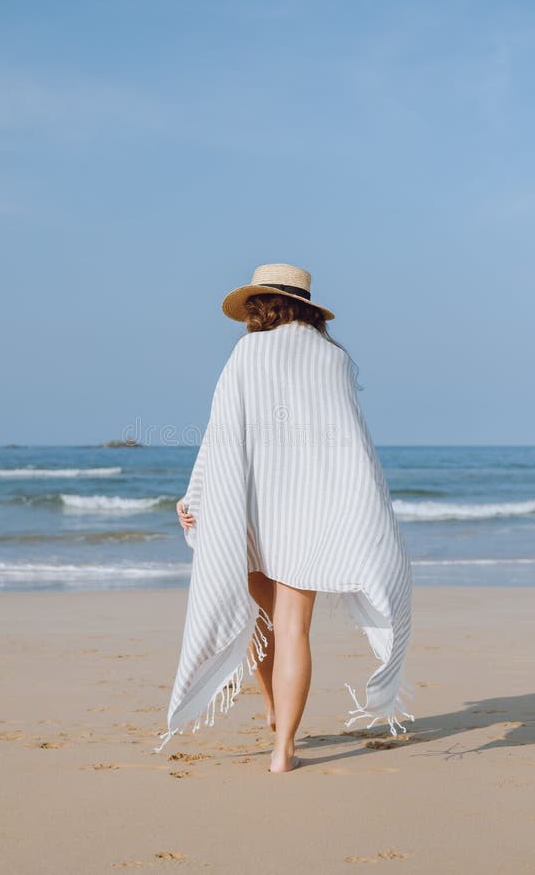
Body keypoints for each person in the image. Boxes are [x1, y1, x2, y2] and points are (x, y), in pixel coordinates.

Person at [165, 263, 414, 773]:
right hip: (312, 514)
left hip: (251, 510)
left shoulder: (247, 353)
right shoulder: (335, 359)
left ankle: (277, 711)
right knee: (291, 626)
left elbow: (221, 435)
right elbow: (352, 447)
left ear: (261, 306)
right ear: (307, 307)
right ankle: (283, 748)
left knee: (260, 616)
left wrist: (198, 498)